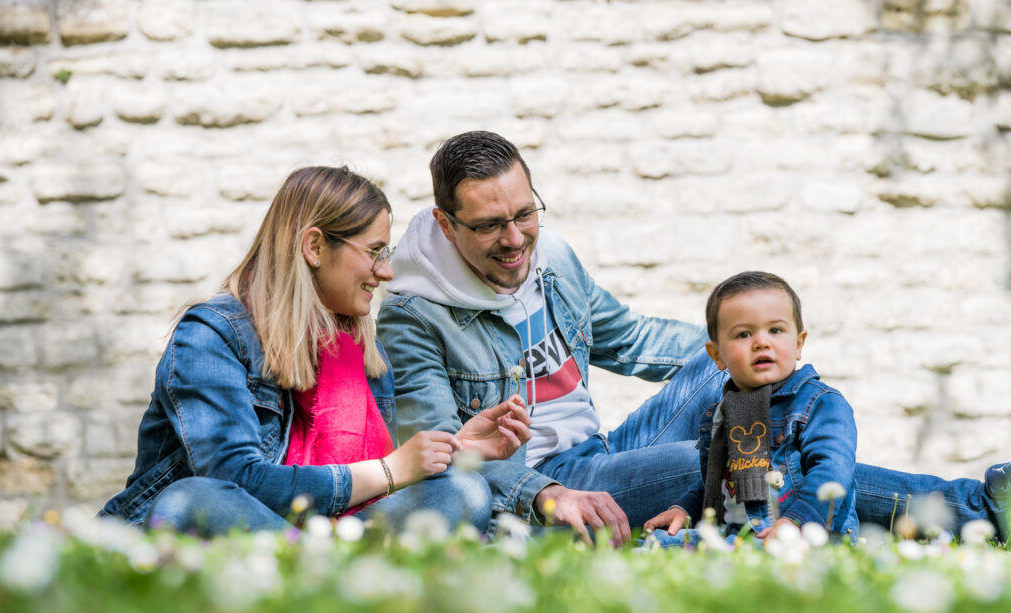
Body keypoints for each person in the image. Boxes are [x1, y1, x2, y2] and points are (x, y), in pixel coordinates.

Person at [378, 130, 1009, 544]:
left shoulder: (553, 260)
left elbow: (632, 337)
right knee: (721, 458)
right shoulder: (414, 316)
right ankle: (972, 509)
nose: (516, 240)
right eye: (491, 226)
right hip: (542, 483)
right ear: (445, 222)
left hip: (604, 447)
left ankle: (771, 503)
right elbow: (439, 450)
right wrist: (545, 492)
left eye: (525, 214)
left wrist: (745, 350)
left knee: (742, 382)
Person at [100, 166, 530, 537]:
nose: (387, 270)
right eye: (375, 252)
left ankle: (316, 565)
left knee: (462, 492)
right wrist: (390, 471)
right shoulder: (211, 337)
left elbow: (376, 488)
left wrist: (454, 449)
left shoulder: (363, 352)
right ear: (315, 248)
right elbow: (237, 480)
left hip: (330, 531)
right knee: (188, 501)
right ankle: (330, 569)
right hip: (247, 523)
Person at [644, 272, 858, 547]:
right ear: (717, 355)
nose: (761, 342)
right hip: (736, 534)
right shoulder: (722, 413)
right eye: (744, 334)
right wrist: (683, 509)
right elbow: (714, 481)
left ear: (799, 344)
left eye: (776, 330)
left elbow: (832, 472)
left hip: (800, 536)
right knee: (657, 544)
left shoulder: (820, 403)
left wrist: (795, 523)